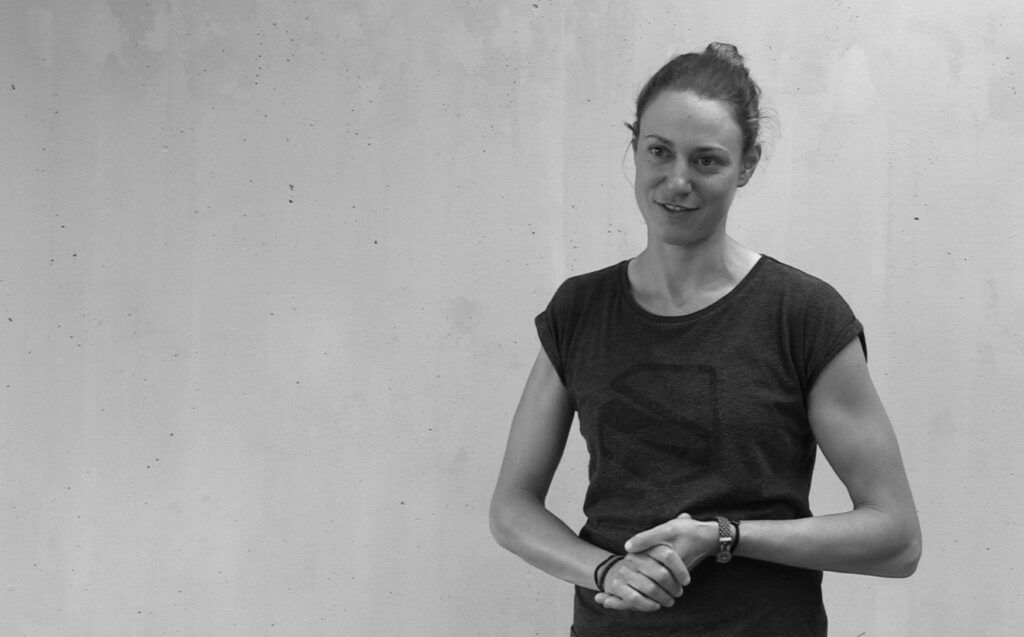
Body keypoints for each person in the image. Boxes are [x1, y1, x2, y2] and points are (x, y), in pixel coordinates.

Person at [489, 42, 921, 636]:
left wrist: (724, 536)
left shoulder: (802, 314)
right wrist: (607, 569)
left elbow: (896, 539)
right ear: (635, 148)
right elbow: (511, 508)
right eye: (659, 151)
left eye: (707, 160)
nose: (677, 181)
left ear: (746, 165)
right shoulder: (580, 310)